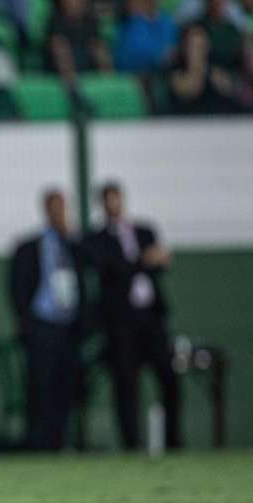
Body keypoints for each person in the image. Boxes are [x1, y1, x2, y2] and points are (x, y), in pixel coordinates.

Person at [86, 182, 181, 451]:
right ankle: (132, 443)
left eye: (117, 199)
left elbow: (158, 262)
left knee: (168, 376)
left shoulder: (144, 230)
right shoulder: (96, 240)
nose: (114, 205)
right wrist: (143, 260)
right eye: (108, 200)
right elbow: (112, 271)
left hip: (151, 319)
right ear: (102, 204)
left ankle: (174, 441)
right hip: (120, 323)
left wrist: (156, 260)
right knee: (126, 382)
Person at [9, 190, 87, 451]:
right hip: (42, 325)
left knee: (65, 384)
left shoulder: (75, 245)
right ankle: (38, 442)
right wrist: (24, 319)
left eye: (62, 207)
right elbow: (17, 286)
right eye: (54, 207)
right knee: (39, 383)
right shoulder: (31, 246)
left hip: (69, 326)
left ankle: (61, 440)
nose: (58, 212)